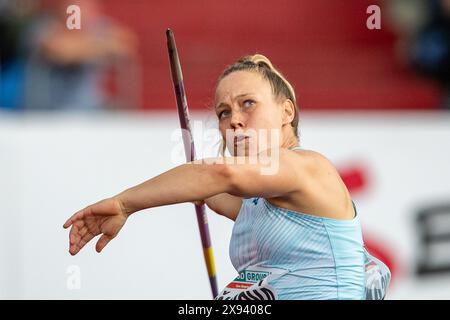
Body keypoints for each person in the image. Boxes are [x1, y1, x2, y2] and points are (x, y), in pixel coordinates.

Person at [63, 54, 390, 300]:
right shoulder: (256, 200)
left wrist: (124, 204)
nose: (234, 120)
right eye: (224, 112)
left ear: (286, 112)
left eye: (248, 104)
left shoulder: (307, 167)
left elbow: (219, 176)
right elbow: (212, 191)